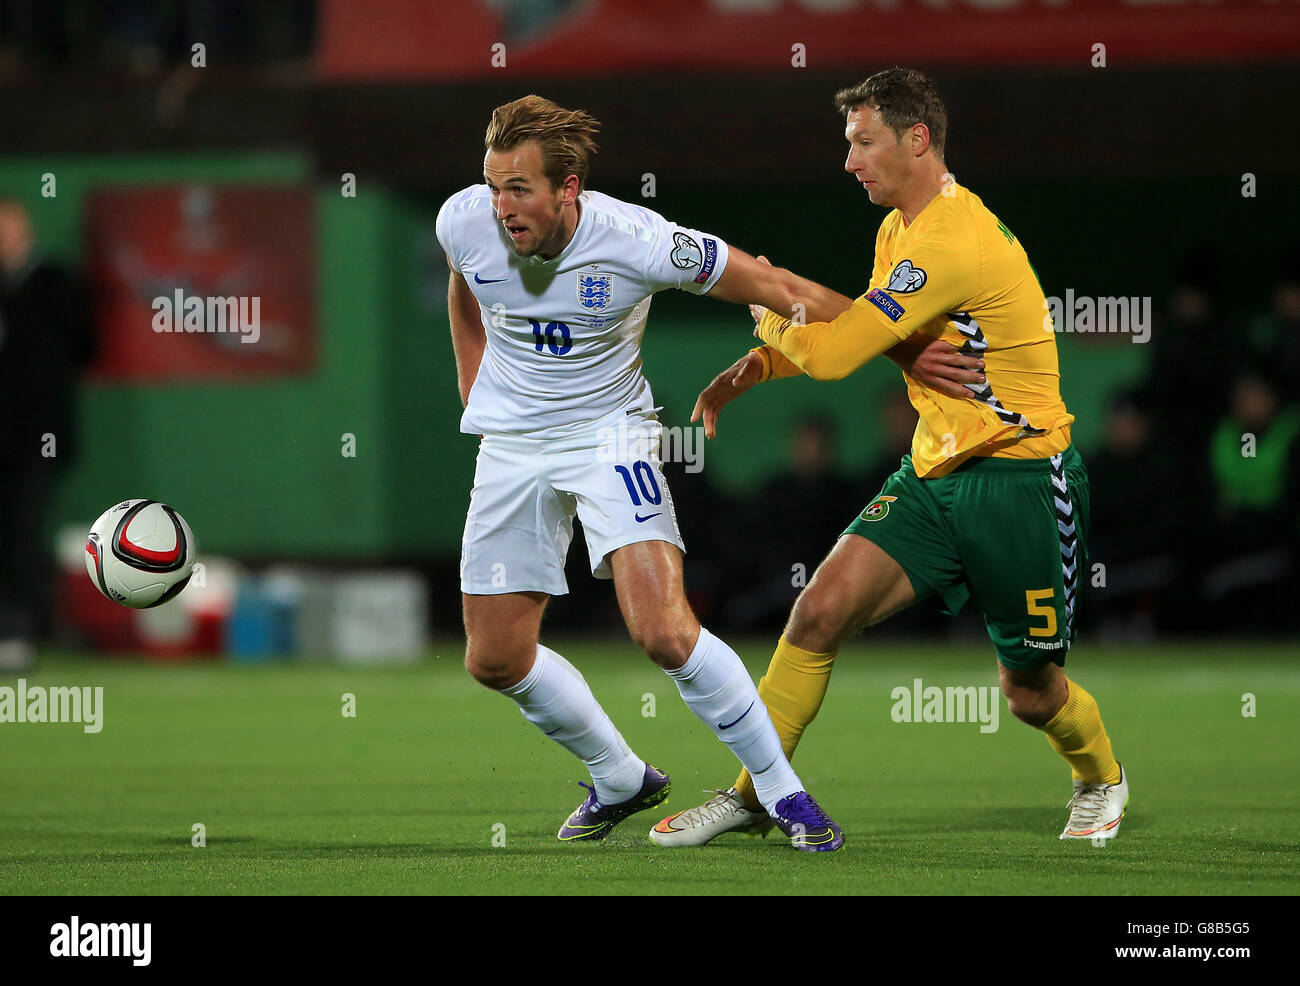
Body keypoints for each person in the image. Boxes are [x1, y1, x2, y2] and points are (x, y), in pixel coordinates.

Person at [435, 94, 972, 849]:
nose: (501, 206)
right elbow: (465, 279)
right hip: (510, 445)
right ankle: (619, 775)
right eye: (493, 186)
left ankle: (782, 794)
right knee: (493, 659)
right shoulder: (464, 219)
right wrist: (474, 380)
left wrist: (903, 346)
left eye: (518, 189)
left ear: (569, 187)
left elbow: (779, 289)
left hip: (608, 438)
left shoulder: (641, 242)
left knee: (662, 631)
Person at [652, 68, 1128, 847]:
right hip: (934, 475)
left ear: (917, 140)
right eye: (849, 144)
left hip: (1019, 479)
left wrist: (765, 307)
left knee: (1031, 693)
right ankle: (754, 795)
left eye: (863, 142)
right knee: (817, 614)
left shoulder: (951, 240)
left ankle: (1100, 777)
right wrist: (766, 362)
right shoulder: (900, 228)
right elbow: (880, 335)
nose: (850, 161)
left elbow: (839, 352)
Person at [0, 196, 97, 671]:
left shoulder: (55, 283)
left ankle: (24, 628)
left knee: (25, 529)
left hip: (41, 435)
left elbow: (84, 346)